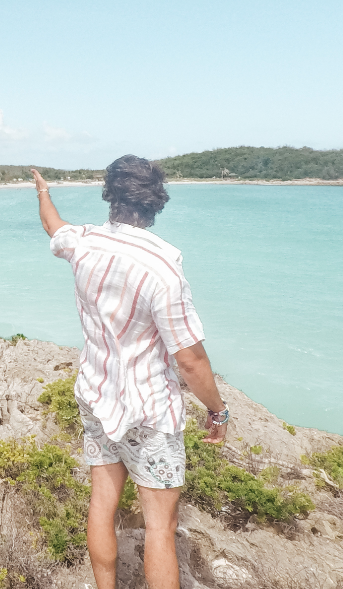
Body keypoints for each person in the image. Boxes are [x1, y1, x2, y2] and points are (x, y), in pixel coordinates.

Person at [31, 156, 229, 589]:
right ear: (156, 202)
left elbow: (53, 225)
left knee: (103, 503)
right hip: (148, 411)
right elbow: (190, 360)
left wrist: (43, 190)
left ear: (110, 195)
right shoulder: (163, 270)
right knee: (161, 526)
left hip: (96, 393)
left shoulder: (84, 243)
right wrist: (217, 411)